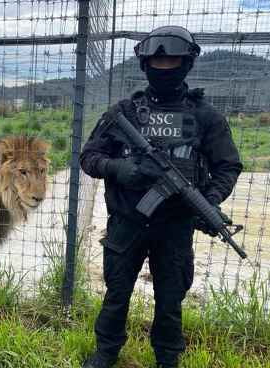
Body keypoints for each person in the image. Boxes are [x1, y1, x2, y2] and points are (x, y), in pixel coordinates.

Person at [80, 26, 243, 368]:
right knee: (116, 295)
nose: (164, 66)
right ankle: (106, 352)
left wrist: (209, 201)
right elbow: (89, 158)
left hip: (175, 227)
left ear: (186, 64)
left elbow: (227, 166)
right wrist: (122, 169)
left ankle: (168, 359)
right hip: (127, 222)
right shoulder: (122, 113)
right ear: (145, 65)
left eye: (172, 60)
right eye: (158, 60)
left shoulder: (205, 117)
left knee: (170, 301)